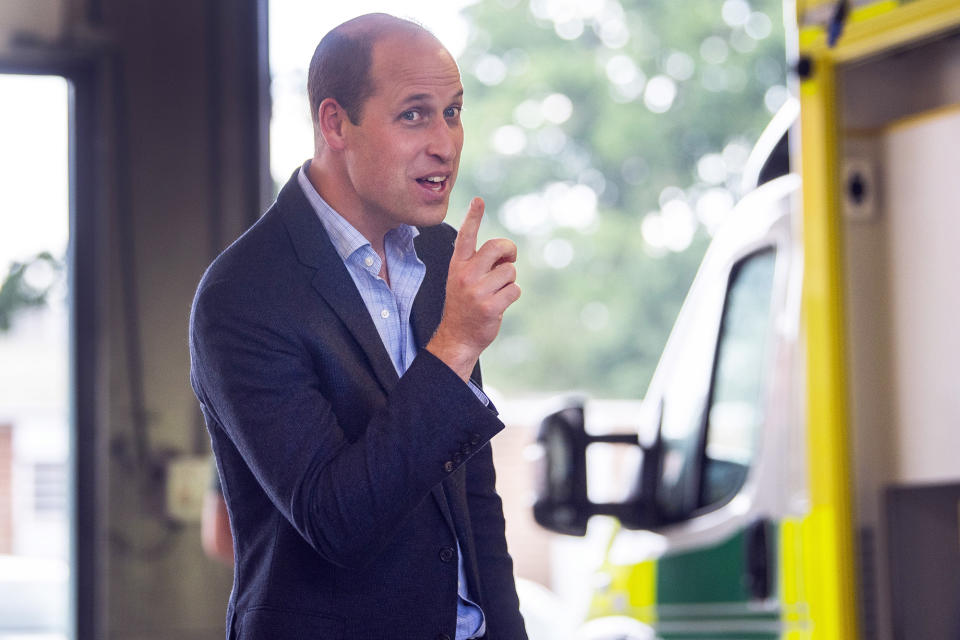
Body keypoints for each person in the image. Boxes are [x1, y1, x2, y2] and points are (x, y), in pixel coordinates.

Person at [189, 13, 527, 640]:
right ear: (335, 122)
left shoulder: (438, 255)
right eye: (414, 114)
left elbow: (474, 502)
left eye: (453, 112)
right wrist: (455, 342)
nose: (445, 144)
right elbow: (335, 520)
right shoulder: (242, 296)